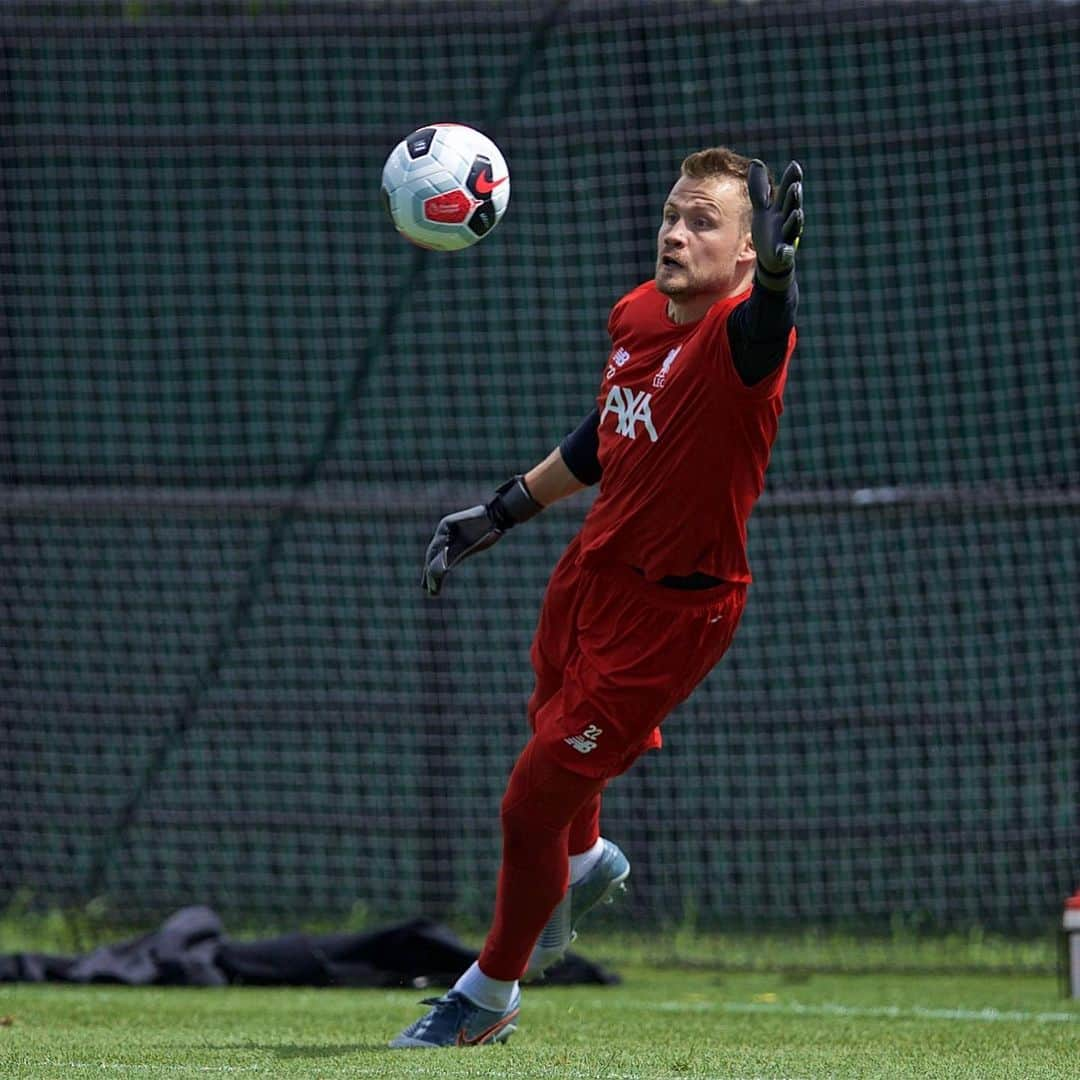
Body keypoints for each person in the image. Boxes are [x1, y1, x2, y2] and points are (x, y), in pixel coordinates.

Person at [391, 147, 804, 1049]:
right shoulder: (639, 312)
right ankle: (584, 861)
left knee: (529, 798)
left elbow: (767, 330)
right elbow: (608, 431)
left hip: (674, 612)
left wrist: (776, 279)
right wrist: (500, 511)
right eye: (671, 213)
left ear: (745, 250)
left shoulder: (742, 338)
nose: (675, 232)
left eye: (703, 221)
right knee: (545, 721)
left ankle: (490, 995)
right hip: (596, 569)